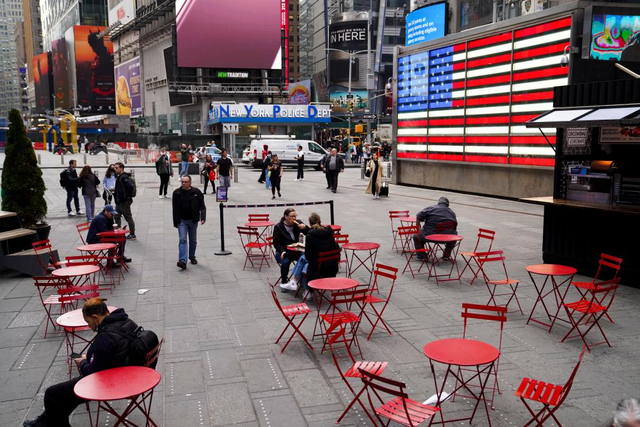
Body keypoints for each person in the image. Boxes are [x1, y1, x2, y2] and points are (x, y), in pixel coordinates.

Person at [23, 298, 138, 427]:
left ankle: (44, 423)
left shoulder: (105, 337)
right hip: (126, 372)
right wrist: (91, 358)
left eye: (88, 321)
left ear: (95, 317)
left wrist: (82, 362)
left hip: (111, 382)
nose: (88, 326)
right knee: (65, 395)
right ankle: (42, 422)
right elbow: (113, 352)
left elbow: (92, 374)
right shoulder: (126, 321)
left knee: (52, 393)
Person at [293, 212, 339, 301]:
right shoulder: (329, 231)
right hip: (331, 265)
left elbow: (309, 256)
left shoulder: (310, 235)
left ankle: (299, 283)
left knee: (305, 262)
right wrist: (306, 228)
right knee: (305, 261)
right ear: (320, 221)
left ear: (310, 223)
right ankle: (298, 284)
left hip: (318, 268)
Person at [172, 175, 206, 269]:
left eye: (186, 182)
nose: (184, 183)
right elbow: (174, 209)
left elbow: (202, 206)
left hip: (193, 220)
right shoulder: (176, 193)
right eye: (182, 181)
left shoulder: (196, 192)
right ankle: (182, 260)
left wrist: (203, 217)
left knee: (193, 240)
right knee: (182, 239)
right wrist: (175, 221)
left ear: (190, 182)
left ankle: (192, 256)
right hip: (181, 220)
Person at [273, 208, 308, 290]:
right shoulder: (278, 227)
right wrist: (282, 251)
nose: (294, 218)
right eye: (292, 216)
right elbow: (276, 243)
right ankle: (284, 282)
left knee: (305, 259)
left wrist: (305, 228)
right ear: (285, 216)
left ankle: (302, 281)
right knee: (285, 262)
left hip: (297, 251)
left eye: (295, 216)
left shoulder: (298, 223)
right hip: (284, 251)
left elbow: (310, 232)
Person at [113, 162, 136, 240]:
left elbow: (130, 187)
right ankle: (118, 232)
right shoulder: (120, 176)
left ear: (121, 168)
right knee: (116, 216)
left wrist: (125, 196)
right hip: (119, 201)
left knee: (128, 217)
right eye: (114, 168)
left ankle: (132, 234)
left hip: (124, 201)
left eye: (116, 168)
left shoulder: (123, 177)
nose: (115, 169)